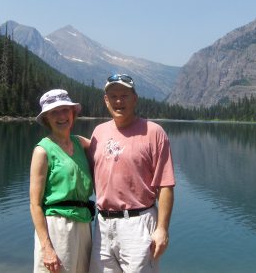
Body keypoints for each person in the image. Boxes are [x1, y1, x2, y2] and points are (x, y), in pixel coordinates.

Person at [88, 74, 175, 273]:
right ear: (105, 100)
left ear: (135, 98)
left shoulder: (154, 132)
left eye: (124, 95)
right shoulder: (98, 133)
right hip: (102, 224)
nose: (119, 101)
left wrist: (162, 229)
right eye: (113, 96)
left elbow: (166, 186)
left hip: (138, 224)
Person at [29, 89, 94, 273]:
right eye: (54, 112)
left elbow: (109, 151)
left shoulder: (80, 143)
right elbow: (35, 205)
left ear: (73, 114)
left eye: (65, 110)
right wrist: (46, 247)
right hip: (57, 226)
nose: (61, 116)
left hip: (83, 224)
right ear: (47, 119)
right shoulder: (43, 151)